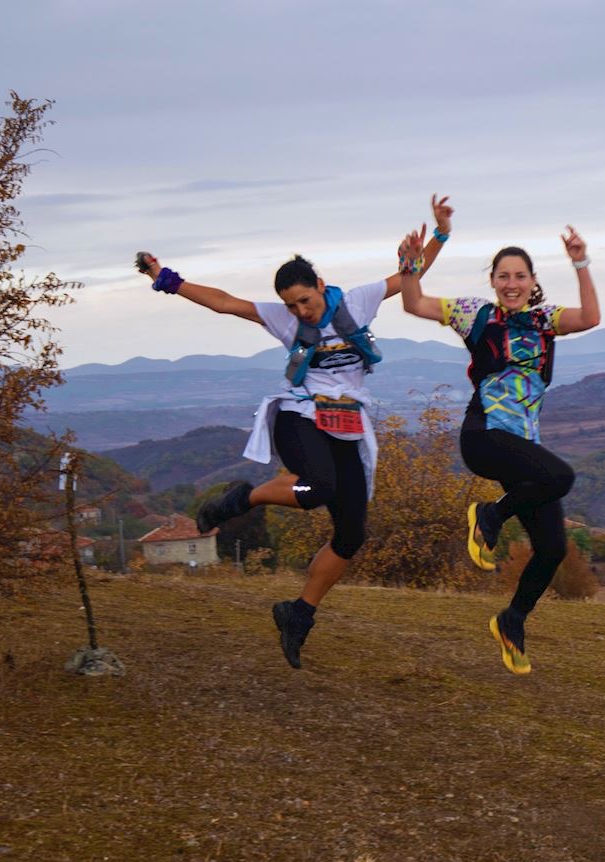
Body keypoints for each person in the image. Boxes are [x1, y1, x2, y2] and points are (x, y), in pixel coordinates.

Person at [134, 195, 454, 669]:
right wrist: (168, 280)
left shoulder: (359, 301)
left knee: (351, 535)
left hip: (345, 423)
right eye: (291, 304)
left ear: (321, 286)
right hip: (298, 415)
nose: (299, 311)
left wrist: (441, 235)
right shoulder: (283, 318)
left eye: (304, 300)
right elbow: (226, 304)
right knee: (318, 486)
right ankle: (246, 498)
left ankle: (298, 613)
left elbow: (407, 276)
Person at [396, 223, 600, 674]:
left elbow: (589, 318)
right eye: (503, 276)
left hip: (523, 447)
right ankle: (490, 516)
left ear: (532, 281)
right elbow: (414, 302)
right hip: (484, 436)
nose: (511, 284)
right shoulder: (476, 315)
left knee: (552, 547)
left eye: (520, 276)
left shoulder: (546, 321)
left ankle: (512, 621)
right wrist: (410, 264)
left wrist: (581, 262)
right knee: (562, 476)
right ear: (492, 281)